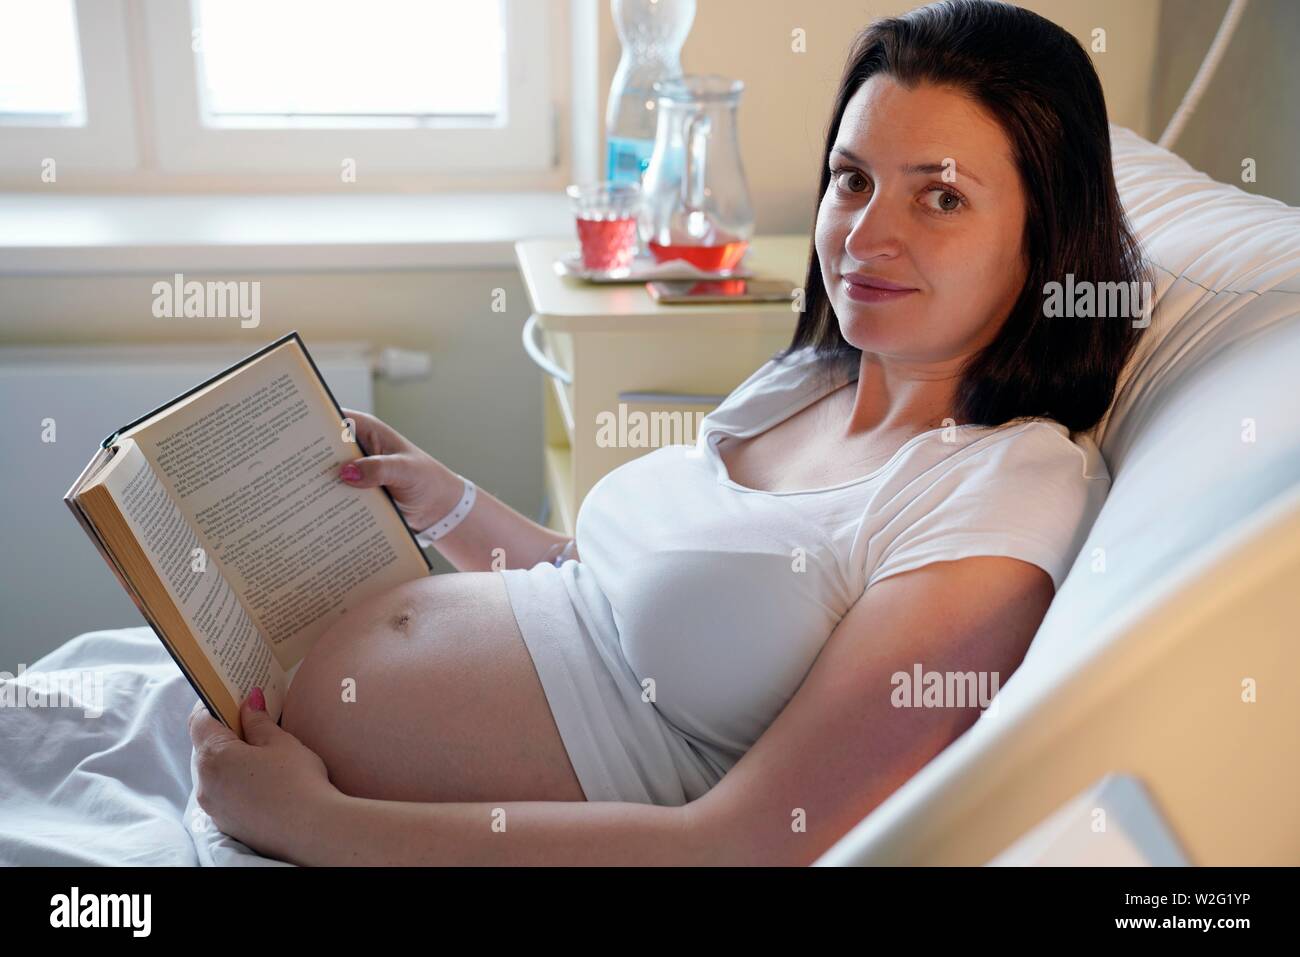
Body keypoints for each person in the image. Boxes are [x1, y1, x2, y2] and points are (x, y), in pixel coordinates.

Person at [188, 0, 1151, 866]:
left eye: (939, 197)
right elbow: (611, 588)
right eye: (852, 181)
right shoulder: (809, 379)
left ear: (1045, 237)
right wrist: (451, 504)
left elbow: (741, 844)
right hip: (289, 783)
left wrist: (312, 824)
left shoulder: (1002, 496)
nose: (863, 237)